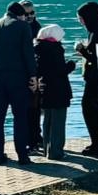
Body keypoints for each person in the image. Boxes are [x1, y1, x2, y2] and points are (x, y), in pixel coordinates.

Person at [0, 2, 38, 164]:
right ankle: (22, 155)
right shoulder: (22, 26)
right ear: (20, 15)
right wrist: (33, 75)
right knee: (20, 117)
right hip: (18, 77)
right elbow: (28, 52)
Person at [74, 1, 98, 156]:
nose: (80, 21)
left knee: (89, 109)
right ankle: (97, 142)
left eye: (81, 18)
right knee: (90, 109)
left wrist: (82, 50)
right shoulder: (95, 30)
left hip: (97, 79)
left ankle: (97, 144)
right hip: (94, 78)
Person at [36, 25, 76, 159]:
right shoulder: (55, 49)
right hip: (59, 90)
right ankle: (56, 152)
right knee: (58, 122)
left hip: (45, 89)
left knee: (47, 121)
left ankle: (47, 149)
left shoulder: (38, 48)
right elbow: (59, 71)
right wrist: (71, 65)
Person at [19, 0, 44, 149]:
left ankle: (36, 136)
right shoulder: (18, 28)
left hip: (35, 73)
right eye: (26, 13)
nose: (29, 16)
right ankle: (29, 138)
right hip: (22, 74)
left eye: (32, 13)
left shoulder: (37, 27)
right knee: (26, 109)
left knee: (35, 108)